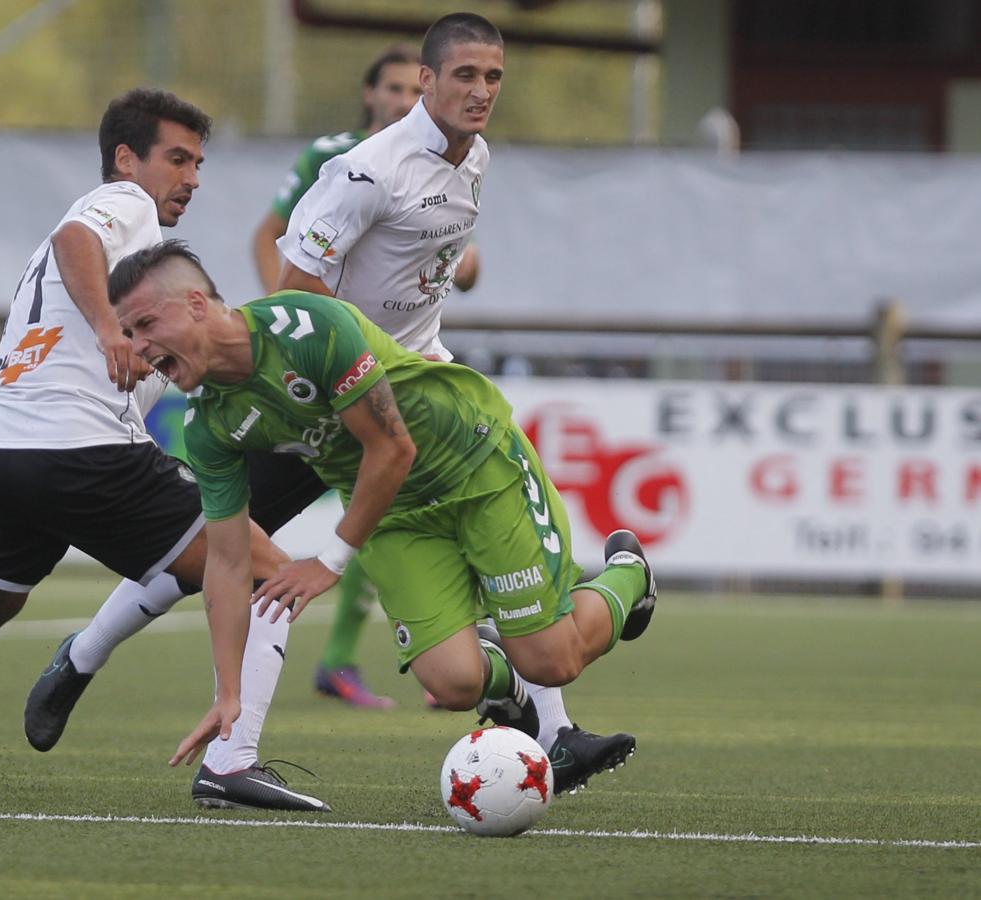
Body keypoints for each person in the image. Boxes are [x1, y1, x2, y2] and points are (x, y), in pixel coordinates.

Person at [0, 88, 329, 813]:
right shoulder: (122, 204)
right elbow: (80, 237)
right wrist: (108, 329)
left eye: (198, 162)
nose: (191, 177)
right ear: (126, 159)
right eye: (176, 158)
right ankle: (232, 760)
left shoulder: (125, 263)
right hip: (86, 451)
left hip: (6, 456)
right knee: (270, 573)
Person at [103, 240, 658, 779]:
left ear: (197, 305)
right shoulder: (207, 425)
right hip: (395, 515)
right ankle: (504, 681)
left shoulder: (309, 328)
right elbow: (226, 562)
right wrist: (229, 693)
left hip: (476, 463)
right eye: (128, 332)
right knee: (454, 684)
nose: (138, 347)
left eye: (146, 325)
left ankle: (631, 575)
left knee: (551, 661)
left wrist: (329, 561)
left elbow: (392, 447)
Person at [268, 12, 635, 791]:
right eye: (463, 75)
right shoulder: (364, 173)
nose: (480, 91)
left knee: (541, 640)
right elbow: (290, 300)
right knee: (448, 680)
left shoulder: (476, 158)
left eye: (492, 77)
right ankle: (215, 730)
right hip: (360, 411)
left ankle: (613, 607)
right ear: (425, 81)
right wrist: (328, 396)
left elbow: (422, 268)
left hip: (440, 403)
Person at [252, 41, 481, 712]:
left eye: (490, 77)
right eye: (389, 89)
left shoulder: (459, 160)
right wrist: (281, 330)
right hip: (321, 378)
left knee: (411, 508)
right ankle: (92, 648)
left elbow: (459, 263)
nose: (398, 101)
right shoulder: (342, 163)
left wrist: (453, 260)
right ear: (376, 94)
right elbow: (276, 245)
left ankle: (502, 686)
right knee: (218, 530)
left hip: (399, 372)